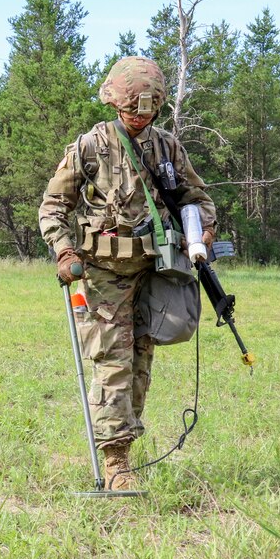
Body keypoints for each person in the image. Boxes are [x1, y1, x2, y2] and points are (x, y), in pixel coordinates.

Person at [37, 56, 217, 490]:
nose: (139, 117)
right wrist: (64, 253)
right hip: (103, 273)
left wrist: (204, 231)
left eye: (147, 110)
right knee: (112, 361)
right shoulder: (90, 146)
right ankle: (115, 462)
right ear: (115, 103)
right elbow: (53, 207)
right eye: (131, 110)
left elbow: (198, 196)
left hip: (156, 270)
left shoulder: (168, 147)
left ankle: (126, 449)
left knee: (140, 360)